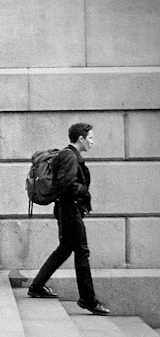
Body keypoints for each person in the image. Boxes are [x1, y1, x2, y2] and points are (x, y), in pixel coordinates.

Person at [27, 123, 109, 315]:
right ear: (80, 139)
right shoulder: (69, 156)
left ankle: (37, 286)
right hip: (69, 209)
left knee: (65, 249)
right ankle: (88, 299)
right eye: (90, 138)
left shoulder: (68, 155)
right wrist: (85, 193)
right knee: (82, 251)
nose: (92, 141)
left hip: (67, 209)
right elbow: (66, 184)